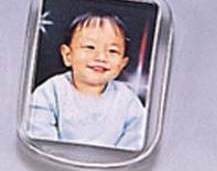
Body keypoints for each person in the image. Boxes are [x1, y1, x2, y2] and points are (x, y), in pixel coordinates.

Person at [28, 11, 146, 151]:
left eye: (112, 51)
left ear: (122, 64)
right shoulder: (50, 92)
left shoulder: (128, 101)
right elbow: (38, 135)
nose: (101, 57)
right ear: (68, 55)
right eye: (90, 47)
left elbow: (135, 142)